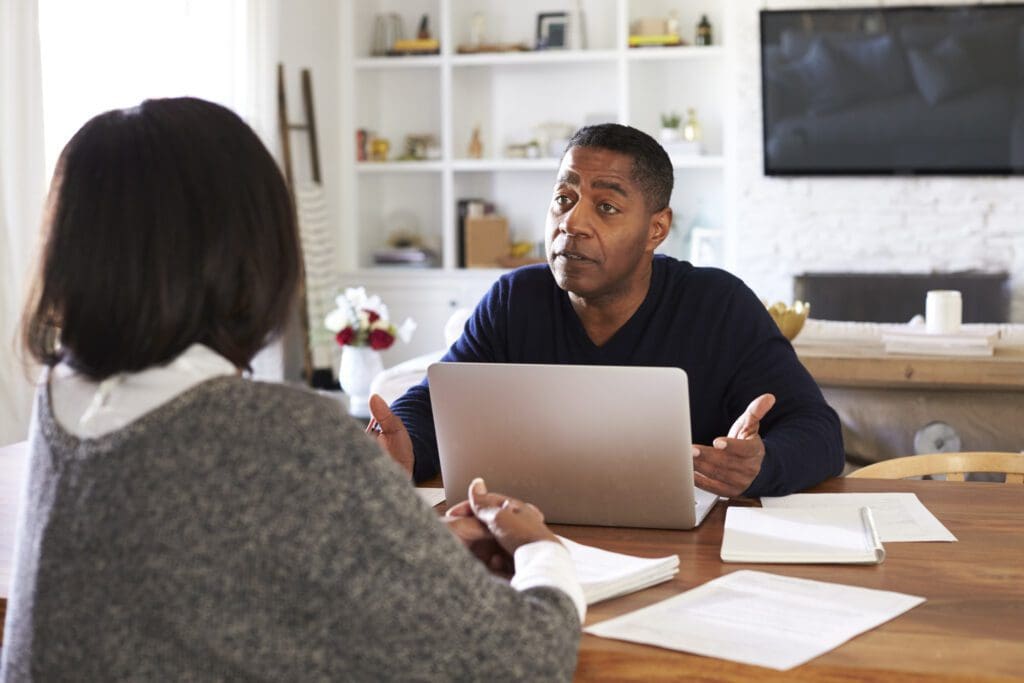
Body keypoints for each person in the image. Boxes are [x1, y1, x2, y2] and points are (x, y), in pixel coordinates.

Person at [2, 97, 584, 681]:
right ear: (253, 247)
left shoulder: (63, 399)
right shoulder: (284, 433)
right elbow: (523, 661)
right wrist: (539, 548)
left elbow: (187, 581)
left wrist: (403, 550)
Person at [373, 123, 844, 498]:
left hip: (689, 555)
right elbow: (436, 403)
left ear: (656, 229)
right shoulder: (516, 299)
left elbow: (819, 432)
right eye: (564, 199)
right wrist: (405, 445)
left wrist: (761, 465)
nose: (572, 223)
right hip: (539, 540)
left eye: (607, 207)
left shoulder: (717, 304)